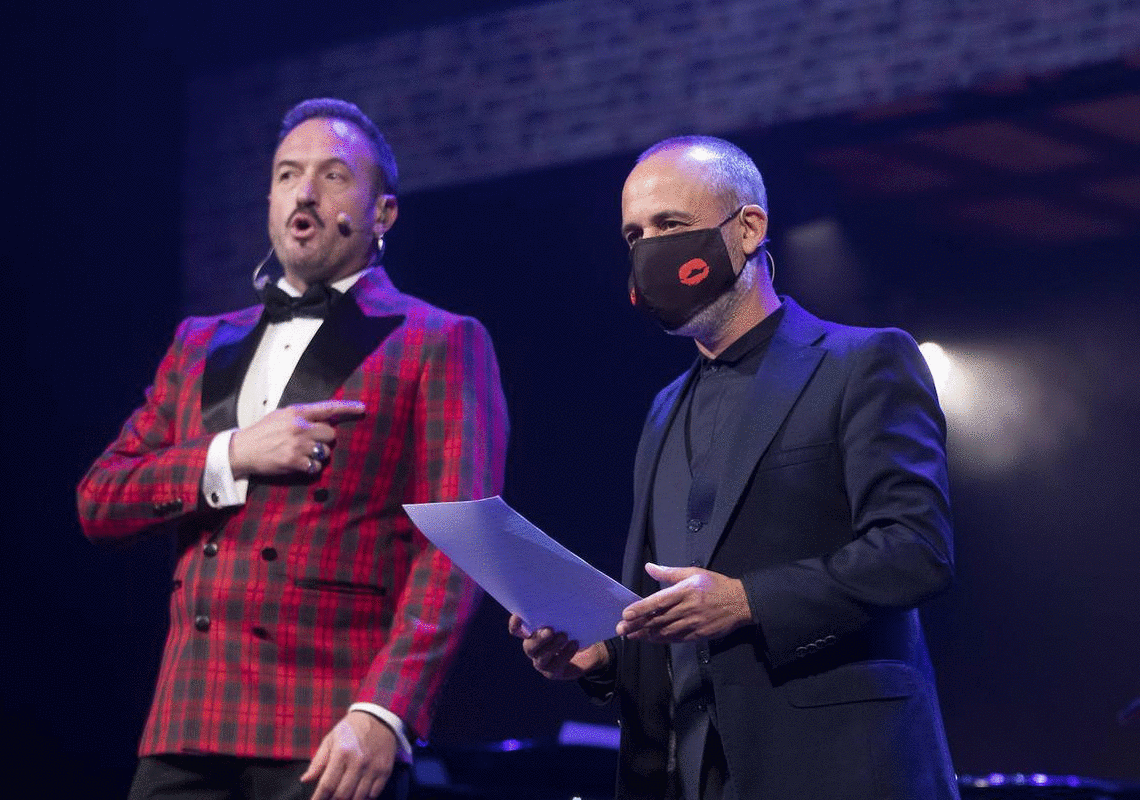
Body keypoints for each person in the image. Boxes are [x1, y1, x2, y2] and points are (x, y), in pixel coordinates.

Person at [79, 98, 508, 800]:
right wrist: (232, 454)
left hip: (329, 725)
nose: (304, 192)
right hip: (188, 719)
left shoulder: (437, 339)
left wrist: (385, 712)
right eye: (287, 174)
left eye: (333, 175)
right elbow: (101, 499)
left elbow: (458, 548)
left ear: (383, 214)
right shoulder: (200, 341)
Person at [511, 136, 958, 800]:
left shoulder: (863, 363)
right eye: (634, 234)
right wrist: (601, 658)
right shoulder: (664, 409)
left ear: (748, 228)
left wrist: (748, 599)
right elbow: (666, 614)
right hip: (689, 774)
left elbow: (915, 550)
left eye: (670, 226)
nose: (648, 251)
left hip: (840, 771)